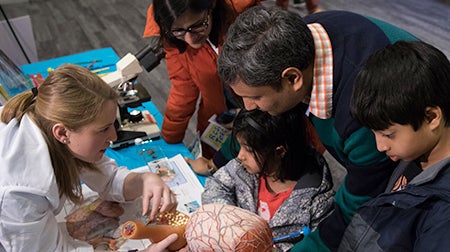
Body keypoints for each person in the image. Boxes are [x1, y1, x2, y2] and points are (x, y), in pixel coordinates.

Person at [216, 6, 419, 251]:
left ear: (292, 79)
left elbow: (358, 203)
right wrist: (220, 160)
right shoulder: (301, 38)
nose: (249, 107)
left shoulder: (367, 114)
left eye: (256, 97)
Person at [0, 64, 178, 251]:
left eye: (112, 125)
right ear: (62, 133)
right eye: (103, 130)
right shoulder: (19, 192)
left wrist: (145, 180)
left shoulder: (56, 132)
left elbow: (108, 179)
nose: (114, 137)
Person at [344, 40, 450, 251]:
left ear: (431, 117)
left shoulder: (443, 213)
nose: (380, 146)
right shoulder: (416, 152)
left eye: (388, 134)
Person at [202, 105, 335, 251]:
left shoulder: (316, 203)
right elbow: (217, 184)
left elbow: (317, 246)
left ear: (279, 152)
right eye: (240, 147)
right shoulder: (244, 169)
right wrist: (232, 225)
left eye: (249, 150)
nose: (240, 156)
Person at [142, 0, 260, 159]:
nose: (190, 39)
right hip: (219, 114)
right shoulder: (173, 40)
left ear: (211, 7)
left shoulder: (242, 15)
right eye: (179, 30)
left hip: (261, 114)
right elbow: (183, 91)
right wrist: (169, 140)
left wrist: (252, 114)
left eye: (197, 26)